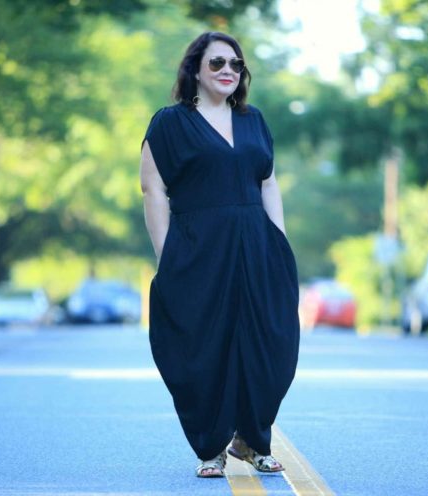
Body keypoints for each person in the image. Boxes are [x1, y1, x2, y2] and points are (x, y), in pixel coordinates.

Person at [140, 32, 300, 478]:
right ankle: (211, 446)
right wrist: (166, 254)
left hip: (257, 243)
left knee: (272, 344)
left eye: (236, 64)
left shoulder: (254, 120)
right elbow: (153, 189)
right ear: (194, 69)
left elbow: (268, 182)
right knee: (203, 346)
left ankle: (250, 439)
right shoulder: (169, 123)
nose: (228, 70)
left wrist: (278, 244)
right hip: (198, 248)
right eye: (217, 63)